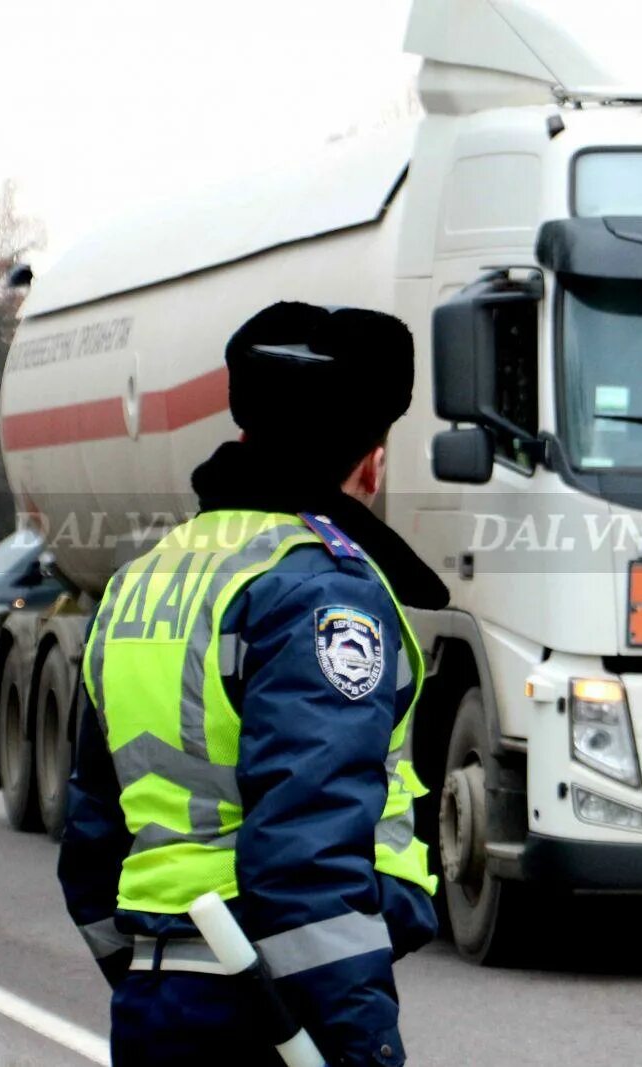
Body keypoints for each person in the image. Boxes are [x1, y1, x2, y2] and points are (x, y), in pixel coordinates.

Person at [58, 301, 448, 1066]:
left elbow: (93, 834)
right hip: (270, 1012)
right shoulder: (317, 588)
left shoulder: (145, 576)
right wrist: (355, 1043)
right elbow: (308, 846)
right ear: (369, 459)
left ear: (246, 431)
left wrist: (147, 965)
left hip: (157, 996)